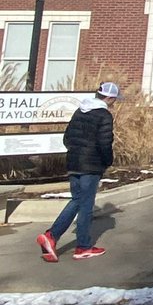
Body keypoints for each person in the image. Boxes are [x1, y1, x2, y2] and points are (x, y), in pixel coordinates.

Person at [36, 82, 120, 262]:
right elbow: (105, 143)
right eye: (114, 100)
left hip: (73, 162)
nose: (114, 103)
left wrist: (75, 152)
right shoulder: (104, 115)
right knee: (86, 206)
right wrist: (107, 161)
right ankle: (83, 247)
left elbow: (67, 138)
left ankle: (51, 236)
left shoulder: (80, 111)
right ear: (110, 98)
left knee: (77, 200)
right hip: (91, 165)